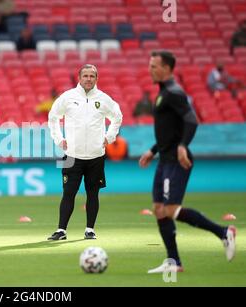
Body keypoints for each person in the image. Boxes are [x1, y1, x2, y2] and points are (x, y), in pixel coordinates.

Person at [139, 50, 236, 274]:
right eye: (150, 65)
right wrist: (153, 150)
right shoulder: (163, 93)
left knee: (171, 209)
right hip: (164, 158)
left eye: (154, 66)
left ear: (166, 68)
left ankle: (224, 232)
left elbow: (191, 121)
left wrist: (183, 146)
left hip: (176, 159)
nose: (150, 69)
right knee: (159, 210)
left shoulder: (174, 93)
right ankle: (174, 262)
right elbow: (169, 130)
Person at [47, 64, 123, 240]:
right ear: (79, 78)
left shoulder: (103, 99)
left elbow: (117, 117)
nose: (88, 79)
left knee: (93, 193)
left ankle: (90, 229)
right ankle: (61, 230)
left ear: (96, 78)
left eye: (92, 76)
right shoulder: (68, 97)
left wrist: (110, 137)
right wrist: (59, 139)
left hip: (96, 156)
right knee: (68, 193)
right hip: (71, 154)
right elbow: (53, 117)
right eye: (85, 76)